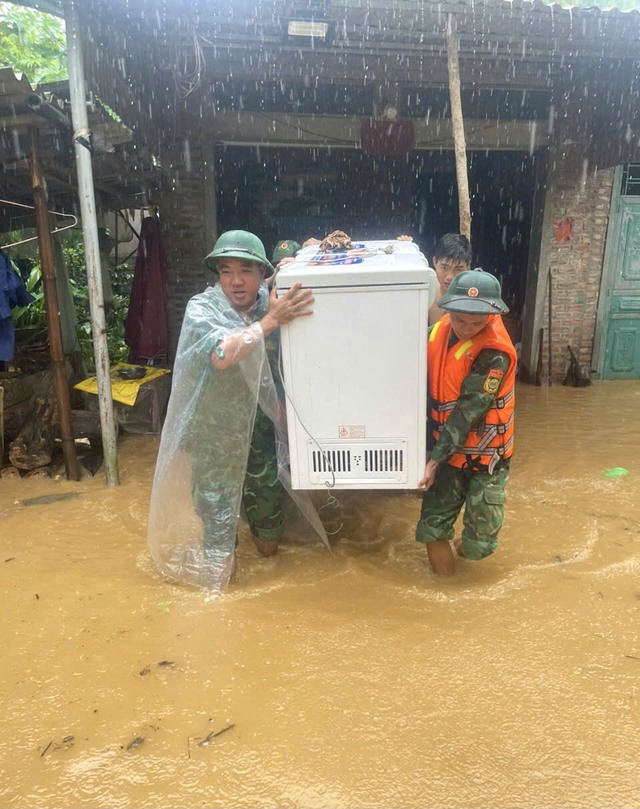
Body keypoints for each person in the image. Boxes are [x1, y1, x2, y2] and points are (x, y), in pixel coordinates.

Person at [147, 230, 315, 590]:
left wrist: (302, 265)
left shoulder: (270, 299)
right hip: (213, 433)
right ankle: (218, 605)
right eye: (226, 271)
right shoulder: (203, 308)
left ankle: (264, 583)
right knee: (218, 522)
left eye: (246, 271)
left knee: (268, 518)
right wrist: (272, 320)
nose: (236, 281)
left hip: (258, 429)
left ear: (261, 273)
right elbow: (221, 355)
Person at [416, 268, 517, 576]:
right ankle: (443, 606)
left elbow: (466, 414)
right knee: (432, 531)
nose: (466, 328)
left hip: (486, 460)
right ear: (449, 308)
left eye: (477, 322)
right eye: (459, 319)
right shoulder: (436, 331)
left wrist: (433, 461)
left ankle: (465, 544)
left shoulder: (494, 355)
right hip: (447, 453)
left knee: (478, 547)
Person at [428, 233, 472, 324]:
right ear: (435, 262)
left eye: (458, 269)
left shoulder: (475, 295)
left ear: (468, 266)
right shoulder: (424, 289)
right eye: (444, 267)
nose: (450, 277)